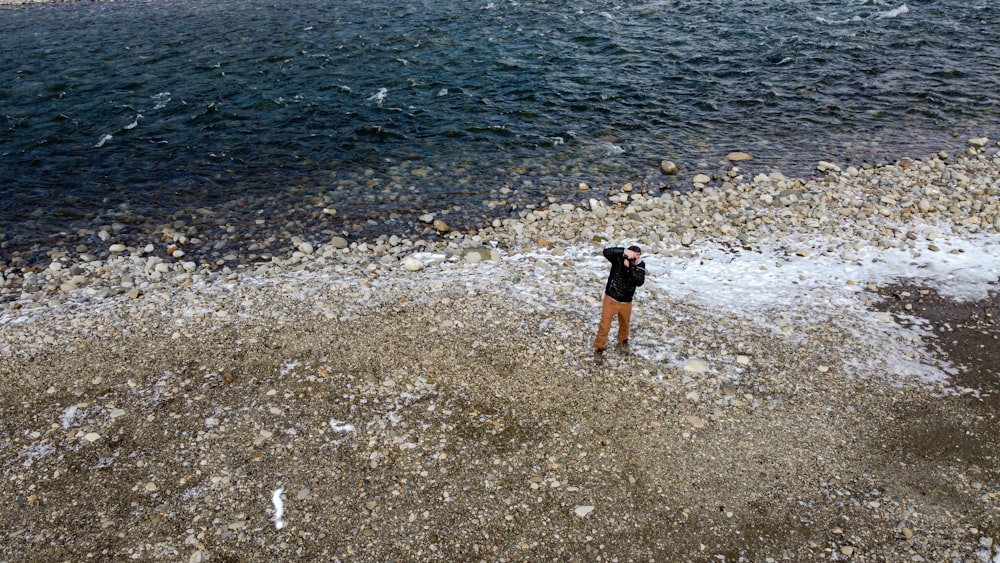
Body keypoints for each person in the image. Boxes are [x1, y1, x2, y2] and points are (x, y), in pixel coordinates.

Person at [594, 245, 646, 363]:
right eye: (633, 255)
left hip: (626, 301)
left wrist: (632, 267)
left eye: (638, 255)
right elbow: (606, 251)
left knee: (625, 324)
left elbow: (639, 281)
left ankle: (623, 341)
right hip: (611, 298)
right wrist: (623, 251)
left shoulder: (640, 265)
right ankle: (599, 348)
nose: (635, 258)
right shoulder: (618, 258)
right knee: (605, 326)